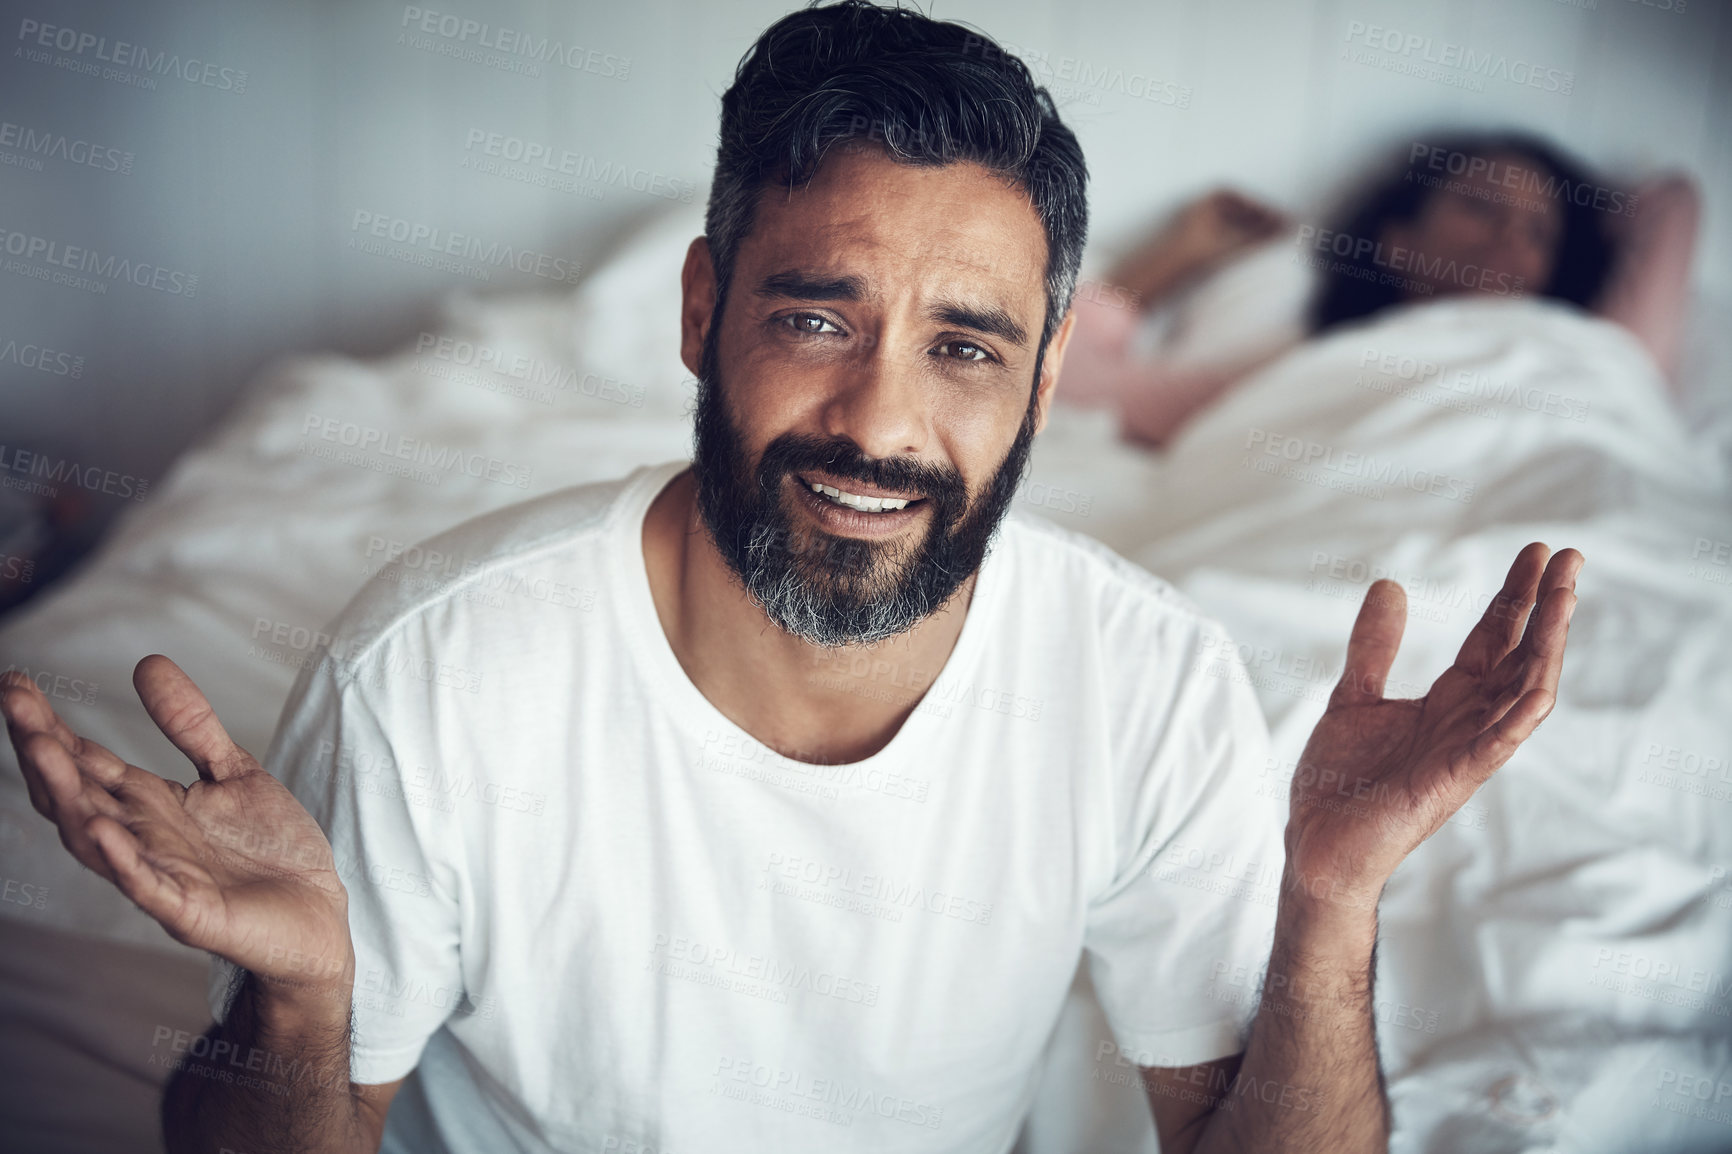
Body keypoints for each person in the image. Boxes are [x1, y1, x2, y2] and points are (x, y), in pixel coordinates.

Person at [0, 4, 1582, 1152]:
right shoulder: (429, 670)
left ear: (1046, 385)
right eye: (817, 317)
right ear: (701, 310)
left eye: (966, 347)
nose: (882, 422)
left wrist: (1327, 903)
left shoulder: (1149, 680)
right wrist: (295, 1010)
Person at [1070, 132, 1702, 446]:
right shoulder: (1315, 363)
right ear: (1398, 241)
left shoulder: (1600, 354)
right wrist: (1182, 250)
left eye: (1540, 231)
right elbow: (1068, 373)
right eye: (1481, 207)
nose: (1510, 236)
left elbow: (1675, 201)